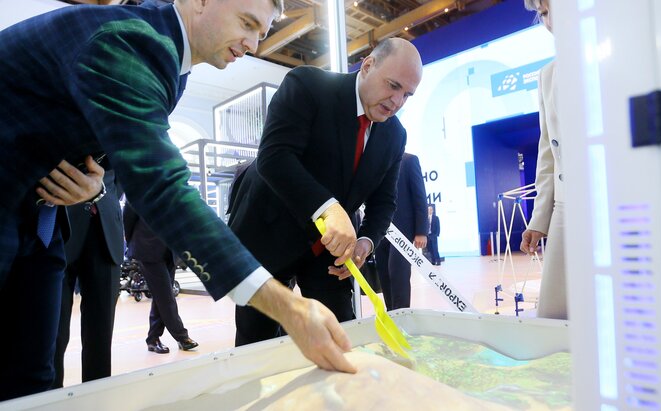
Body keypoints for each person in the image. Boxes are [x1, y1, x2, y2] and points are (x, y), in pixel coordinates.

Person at [0, 0, 355, 401]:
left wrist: (96, 183)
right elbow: (162, 187)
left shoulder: (172, 65)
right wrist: (286, 307)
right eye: (246, 23)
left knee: (32, 377)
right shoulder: (129, 42)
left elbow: (113, 145)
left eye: (262, 32)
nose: (254, 44)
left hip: (40, 223)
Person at [228, 38, 423, 346]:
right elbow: (274, 157)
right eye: (393, 85)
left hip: (327, 251)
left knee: (340, 335)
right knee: (257, 343)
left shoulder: (395, 135)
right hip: (267, 235)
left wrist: (366, 242)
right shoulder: (309, 86)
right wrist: (329, 209)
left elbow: (384, 201)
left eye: (407, 94)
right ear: (368, 65)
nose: (397, 101)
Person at [52, 170, 124, 388]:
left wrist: (105, 195)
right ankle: (50, 398)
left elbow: (123, 174)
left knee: (101, 332)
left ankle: (96, 398)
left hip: (106, 228)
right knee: (53, 334)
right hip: (58, 223)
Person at [519, 0, 567, 320]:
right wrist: (539, 220)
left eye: (553, 8)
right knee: (552, 314)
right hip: (566, 206)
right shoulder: (547, 75)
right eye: (543, 13)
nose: (549, 21)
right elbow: (548, 153)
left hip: (619, 205)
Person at [123, 202, 198, 354]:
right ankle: (182, 336)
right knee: (166, 296)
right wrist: (133, 241)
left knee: (161, 296)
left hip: (170, 250)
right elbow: (128, 218)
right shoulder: (140, 189)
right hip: (147, 248)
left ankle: (153, 338)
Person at [374, 153, 428, 310]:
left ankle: (402, 315)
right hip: (380, 231)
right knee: (384, 275)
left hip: (403, 230)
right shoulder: (375, 163)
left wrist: (421, 231)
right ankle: (392, 314)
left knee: (398, 275)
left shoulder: (409, 160)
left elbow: (420, 197)